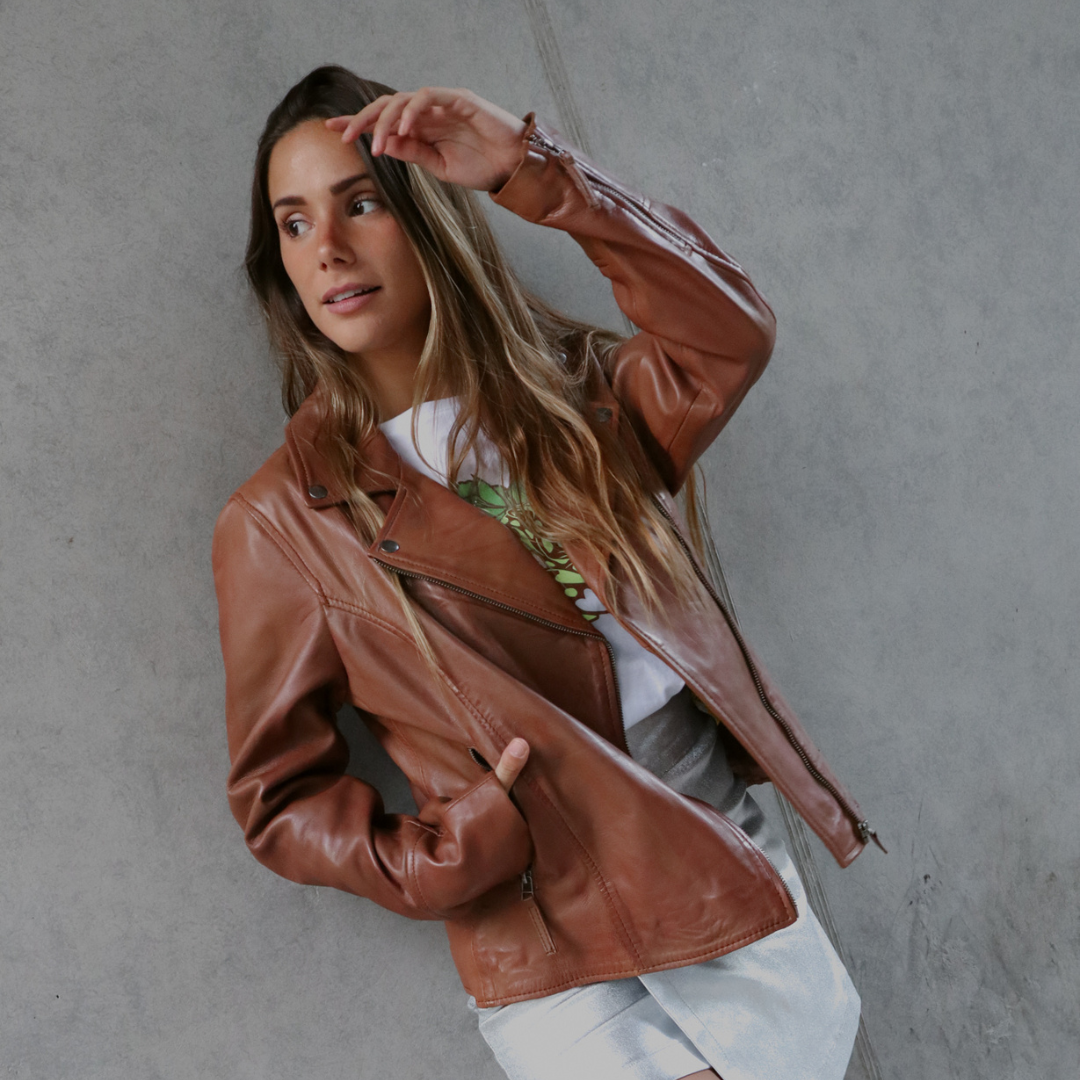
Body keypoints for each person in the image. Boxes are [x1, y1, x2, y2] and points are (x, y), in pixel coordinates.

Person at [213, 64, 881, 1080]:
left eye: (360, 204)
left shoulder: (577, 399)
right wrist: (441, 855)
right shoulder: (283, 521)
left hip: (716, 845)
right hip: (548, 917)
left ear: (426, 215)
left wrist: (533, 170)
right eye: (294, 223)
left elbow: (730, 337)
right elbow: (277, 795)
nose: (329, 249)